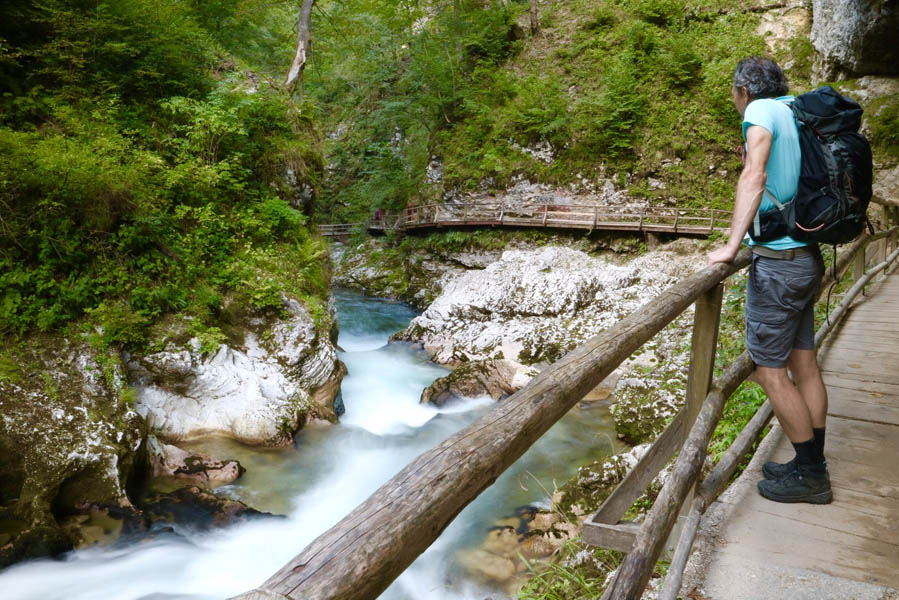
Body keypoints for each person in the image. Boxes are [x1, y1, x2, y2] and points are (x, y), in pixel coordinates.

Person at [707, 57, 831, 504]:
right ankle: (809, 462)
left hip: (778, 265)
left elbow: (755, 174)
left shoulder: (760, 112)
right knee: (804, 364)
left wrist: (730, 245)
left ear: (743, 90)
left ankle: (812, 476)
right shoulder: (794, 109)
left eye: (734, 94)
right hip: (805, 258)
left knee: (769, 371)